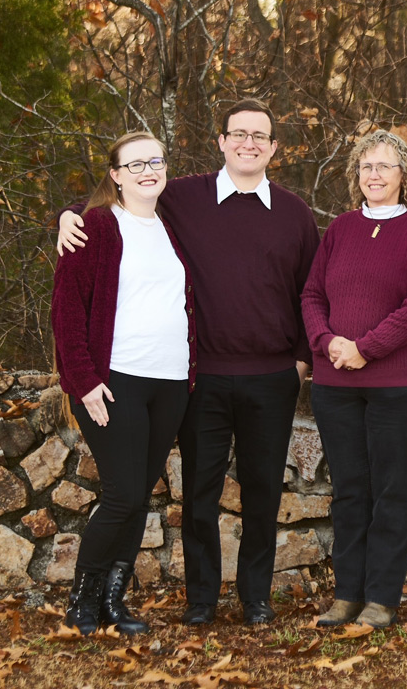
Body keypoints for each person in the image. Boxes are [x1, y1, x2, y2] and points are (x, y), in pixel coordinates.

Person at [58, 99, 320, 626]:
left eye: (260, 136)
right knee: (197, 494)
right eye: (238, 133)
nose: (248, 143)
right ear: (220, 141)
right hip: (203, 379)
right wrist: (64, 215)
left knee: (263, 494)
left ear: (273, 147)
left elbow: (311, 291)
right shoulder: (183, 197)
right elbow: (117, 202)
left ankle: (255, 598)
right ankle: (200, 600)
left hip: (267, 378)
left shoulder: (294, 213)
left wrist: (300, 361)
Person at [301, 130, 407, 630]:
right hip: (335, 384)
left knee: (391, 490)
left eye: (386, 166)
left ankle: (381, 598)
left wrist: (367, 348)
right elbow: (312, 296)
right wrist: (327, 342)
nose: (375, 175)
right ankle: (347, 594)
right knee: (348, 490)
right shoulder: (339, 230)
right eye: (366, 166)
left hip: (401, 386)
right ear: (355, 176)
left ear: (404, 175)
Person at [51, 132, 195, 636]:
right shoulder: (96, 226)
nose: (147, 171)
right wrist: (84, 381)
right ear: (115, 175)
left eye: (155, 160)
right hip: (115, 381)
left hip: (171, 382)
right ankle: (82, 600)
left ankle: (115, 599)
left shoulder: (173, 221)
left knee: (139, 495)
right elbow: (66, 310)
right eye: (134, 165)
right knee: (122, 494)